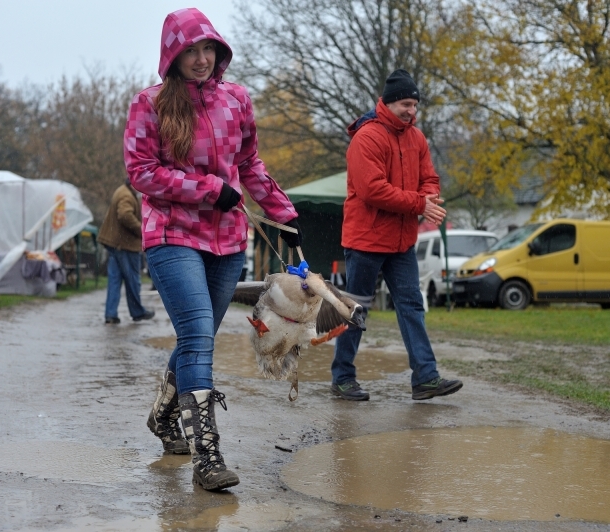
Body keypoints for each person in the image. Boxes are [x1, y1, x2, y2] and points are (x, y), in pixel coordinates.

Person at [124, 8, 302, 491]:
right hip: (172, 235)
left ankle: (164, 414)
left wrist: (284, 214)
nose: (201, 59)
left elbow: (250, 163)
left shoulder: (236, 99)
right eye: (191, 51)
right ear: (172, 55)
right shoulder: (150, 104)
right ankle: (207, 456)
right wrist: (207, 189)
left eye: (209, 49)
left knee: (195, 338)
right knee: (200, 335)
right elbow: (141, 171)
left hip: (227, 240)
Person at [330, 69, 463, 402]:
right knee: (357, 309)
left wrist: (429, 196)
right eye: (406, 104)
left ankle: (426, 378)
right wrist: (420, 204)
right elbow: (372, 190)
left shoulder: (416, 138)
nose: (411, 111)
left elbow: (430, 178)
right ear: (388, 102)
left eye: (415, 105)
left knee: (412, 306)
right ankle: (342, 377)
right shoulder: (367, 137)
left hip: (402, 241)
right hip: (366, 239)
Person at [98, 179, 155, 325]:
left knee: (115, 280)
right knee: (133, 280)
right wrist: (142, 230)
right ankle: (137, 312)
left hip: (115, 244)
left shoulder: (121, 191)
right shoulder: (127, 195)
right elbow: (125, 215)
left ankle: (111, 314)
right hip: (125, 245)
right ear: (133, 184)